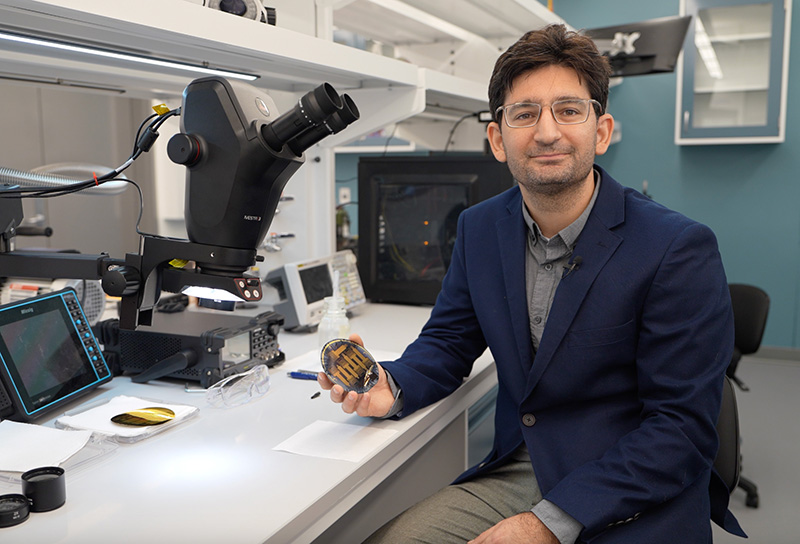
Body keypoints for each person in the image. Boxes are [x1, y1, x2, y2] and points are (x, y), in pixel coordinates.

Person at [319, 24, 745, 543]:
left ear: (602, 131)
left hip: (633, 486)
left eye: (569, 110)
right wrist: (393, 384)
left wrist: (546, 525)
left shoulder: (676, 248)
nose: (547, 132)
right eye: (524, 114)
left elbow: (681, 429)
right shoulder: (479, 228)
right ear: (498, 140)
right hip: (523, 470)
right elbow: (450, 340)